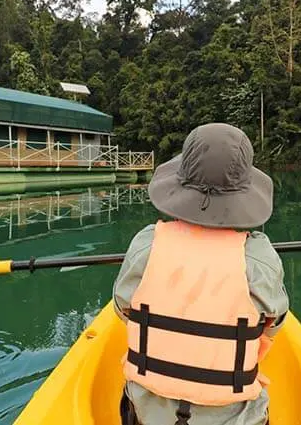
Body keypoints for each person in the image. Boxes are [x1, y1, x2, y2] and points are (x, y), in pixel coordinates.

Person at [113, 123, 289, 425]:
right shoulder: (259, 257)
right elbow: (273, 325)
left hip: (147, 416)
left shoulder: (146, 244)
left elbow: (122, 309)